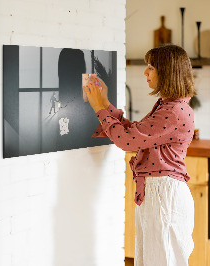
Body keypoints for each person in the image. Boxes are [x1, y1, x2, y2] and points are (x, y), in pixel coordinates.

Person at [84, 44, 196, 266]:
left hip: (164, 195)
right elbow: (135, 133)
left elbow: (127, 141)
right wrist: (105, 103)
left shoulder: (173, 111)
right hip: (159, 193)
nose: (145, 72)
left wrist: (99, 108)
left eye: (151, 67)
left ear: (167, 72)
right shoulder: (169, 106)